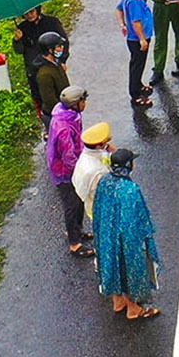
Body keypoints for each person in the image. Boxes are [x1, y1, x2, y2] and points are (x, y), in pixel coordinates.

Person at [92, 148, 162, 320]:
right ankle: (134, 309)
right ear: (129, 165)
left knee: (111, 267)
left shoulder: (104, 181)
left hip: (106, 236)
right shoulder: (130, 189)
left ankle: (118, 301)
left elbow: (98, 209)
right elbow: (137, 219)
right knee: (128, 270)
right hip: (125, 240)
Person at [48, 85, 94, 257]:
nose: (85, 104)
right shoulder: (64, 128)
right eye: (83, 101)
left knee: (79, 200)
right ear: (75, 104)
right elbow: (68, 155)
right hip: (65, 172)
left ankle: (78, 229)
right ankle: (74, 243)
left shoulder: (70, 115)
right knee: (71, 205)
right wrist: (80, 171)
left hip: (72, 167)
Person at [116, 0, 155, 105]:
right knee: (137, 65)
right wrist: (142, 39)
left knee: (139, 63)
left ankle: (138, 85)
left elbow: (118, 9)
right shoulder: (135, 0)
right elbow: (136, 22)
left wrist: (122, 24)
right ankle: (135, 95)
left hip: (136, 37)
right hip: (137, 39)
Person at [12, 4, 66, 86]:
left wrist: (62, 60)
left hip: (53, 65)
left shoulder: (52, 22)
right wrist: (17, 40)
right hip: (34, 69)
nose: (29, 15)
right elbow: (19, 51)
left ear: (37, 9)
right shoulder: (22, 28)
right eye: (26, 14)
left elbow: (63, 43)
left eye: (32, 11)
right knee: (39, 95)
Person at [72, 120, 113, 222]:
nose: (107, 143)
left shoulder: (86, 155)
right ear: (98, 145)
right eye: (105, 142)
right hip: (101, 208)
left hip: (90, 202)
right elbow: (105, 192)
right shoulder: (97, 171)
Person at [30, 31, 72, 121]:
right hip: (56, 116)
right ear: (50, 50)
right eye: (58, 46)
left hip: (65, 109)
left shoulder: (56, 62)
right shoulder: (44, 74)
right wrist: (64, 113)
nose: (62, 48)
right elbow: (50, 101)